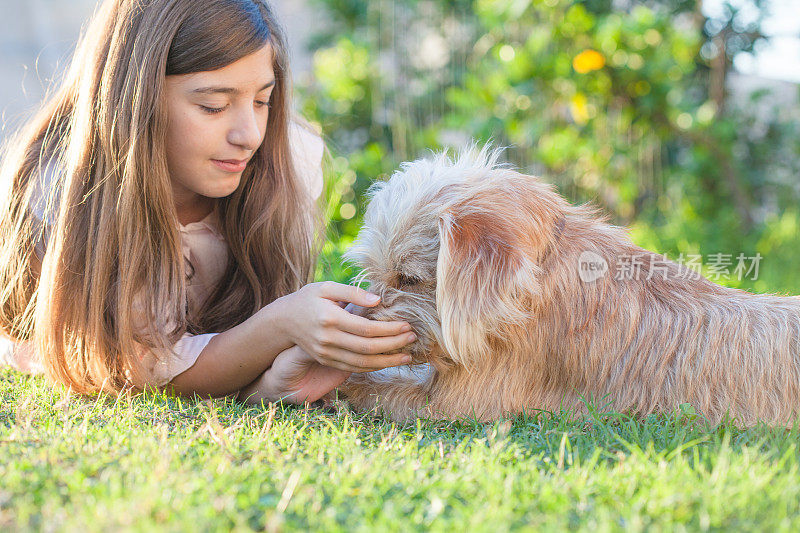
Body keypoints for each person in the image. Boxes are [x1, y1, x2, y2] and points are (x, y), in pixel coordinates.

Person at [0, 0, 416, 405]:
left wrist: (271, 381)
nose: (249, 135)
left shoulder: (284, 164)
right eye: (213, 106)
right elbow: (138, 366)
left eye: (262, 101)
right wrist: (282, 324)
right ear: (136, 100)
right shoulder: (62, 187)